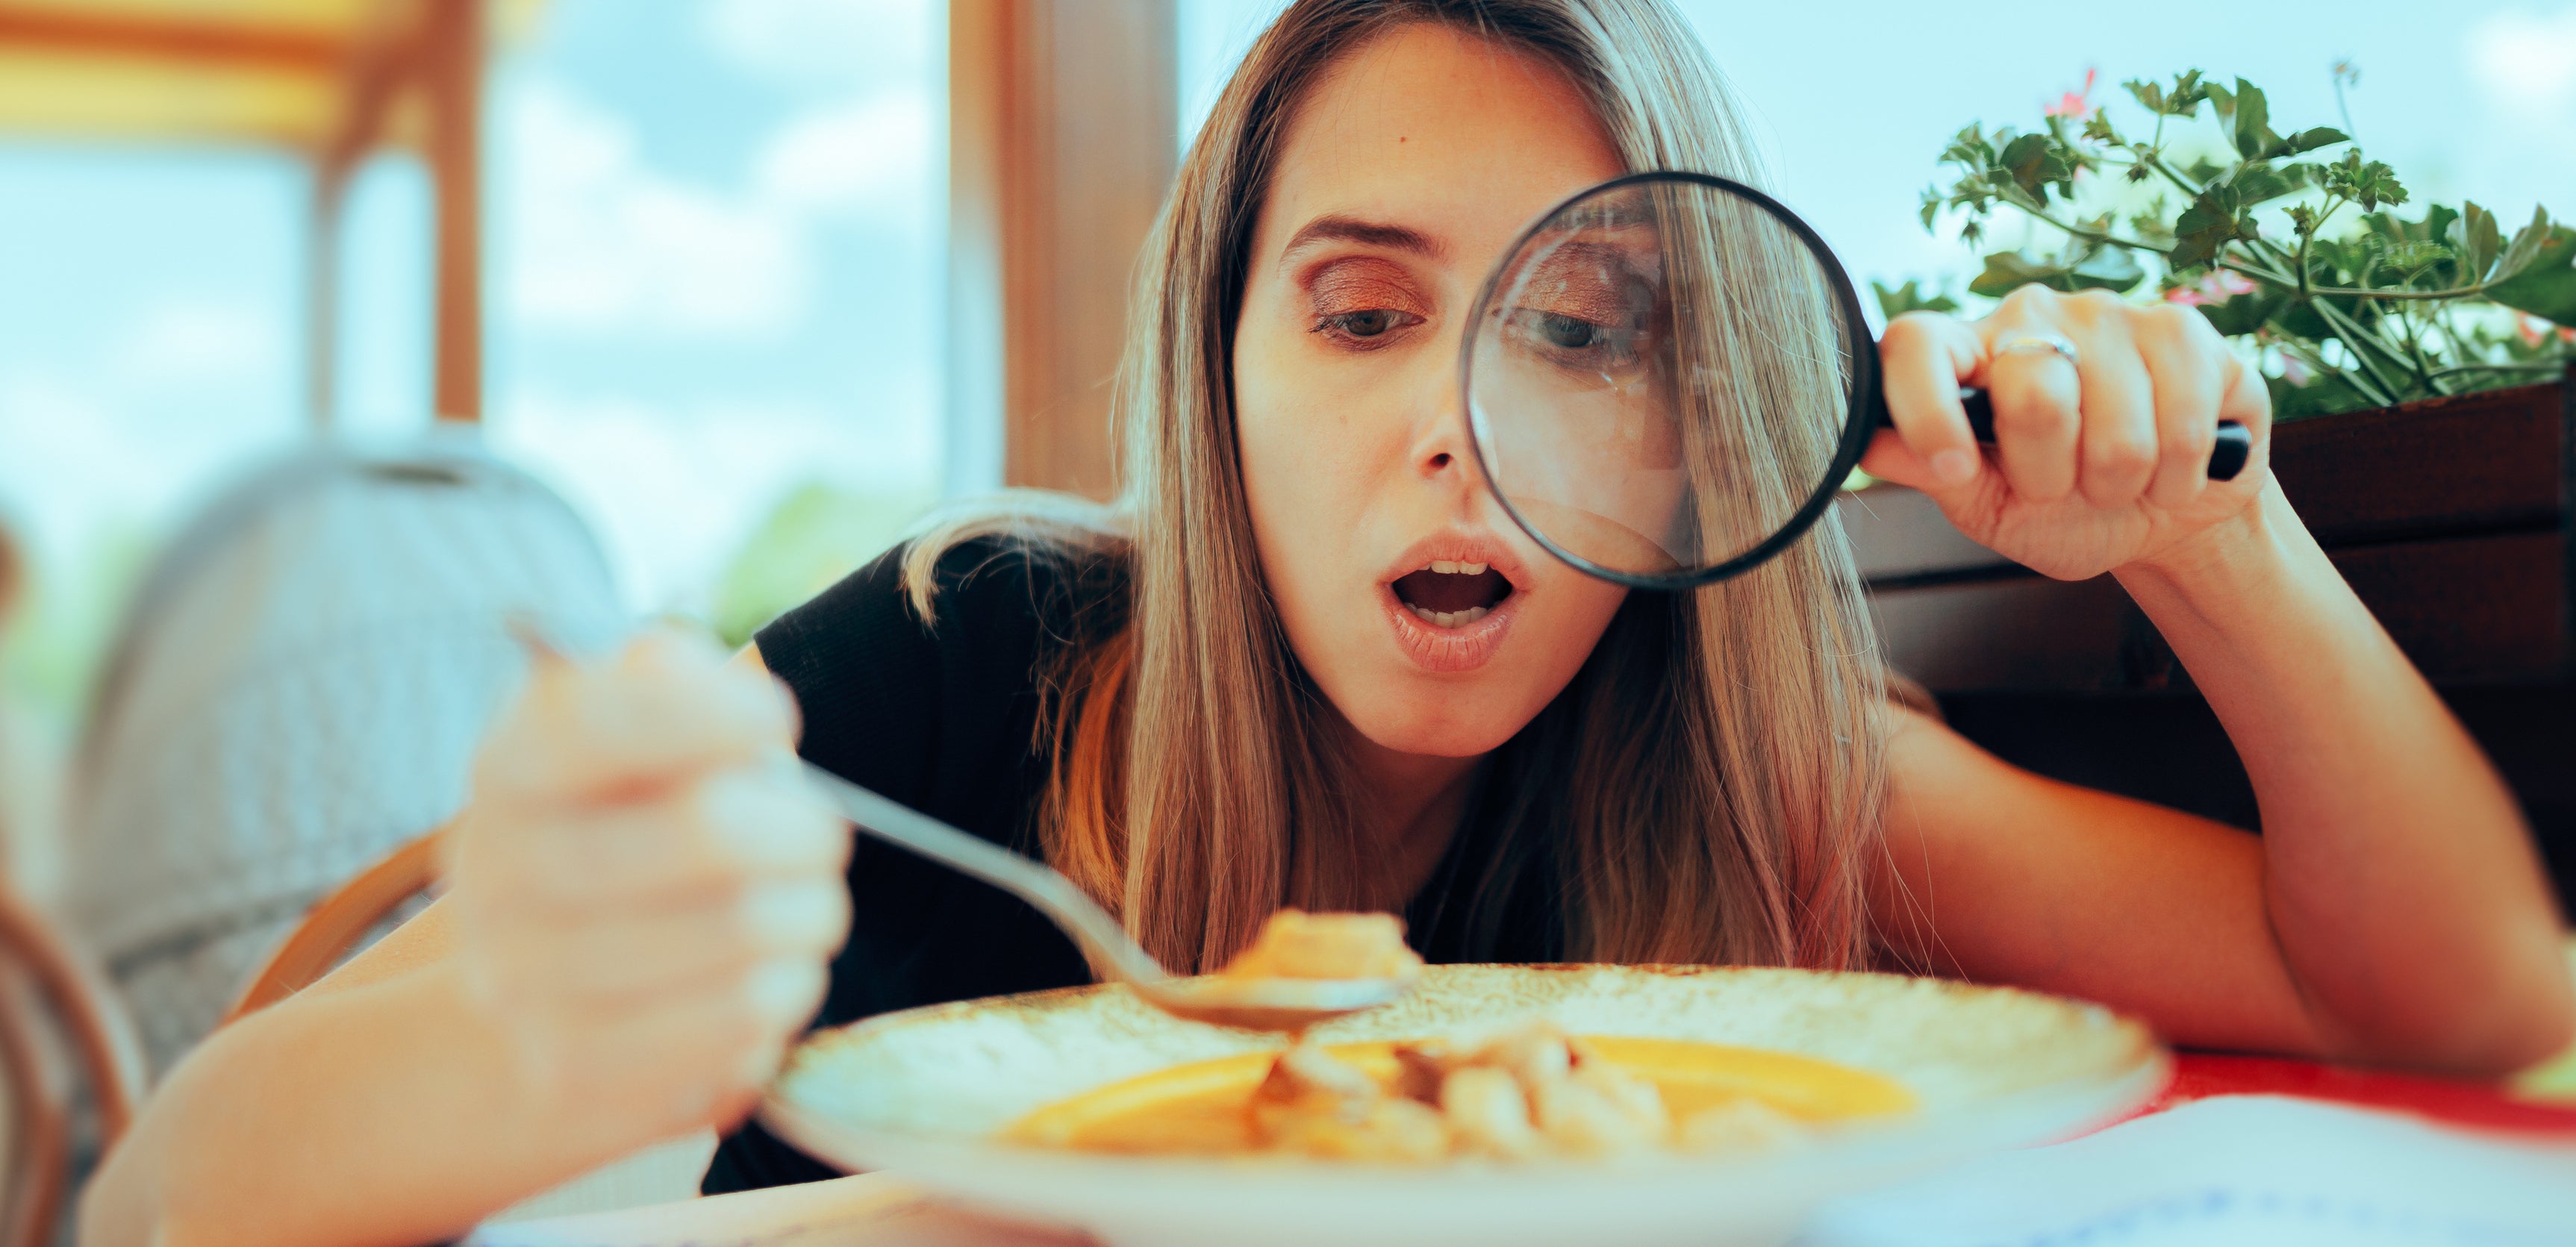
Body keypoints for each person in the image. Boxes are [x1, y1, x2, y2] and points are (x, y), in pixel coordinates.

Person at [83, 1, 2572, 1243]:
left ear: (1708, 421)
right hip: (267, 765)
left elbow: (2464, 1003)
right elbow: (172, 1184)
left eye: (1587, 333)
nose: (1468, 435)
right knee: (381, 537)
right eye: (1364, 315)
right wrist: (532, 1027)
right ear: (1224, 383)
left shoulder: (1753, 753)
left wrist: (2206, 537)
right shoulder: (948, 657)